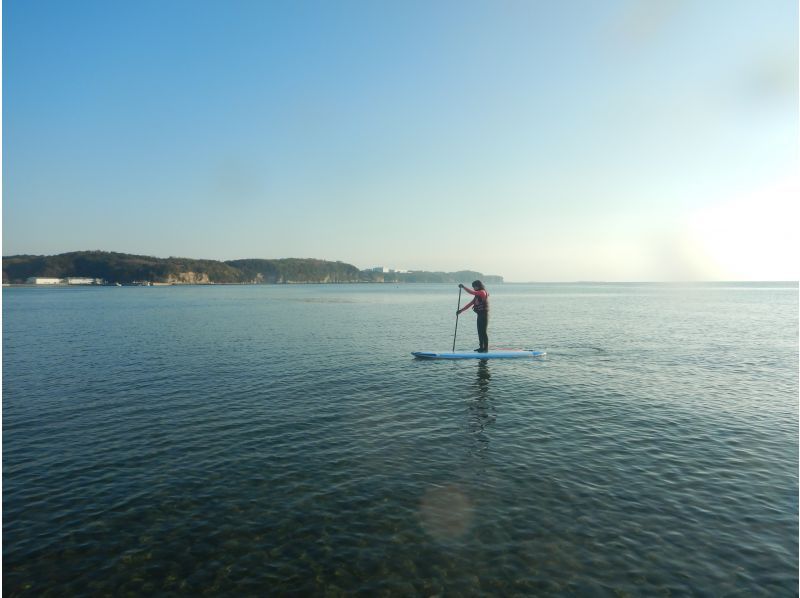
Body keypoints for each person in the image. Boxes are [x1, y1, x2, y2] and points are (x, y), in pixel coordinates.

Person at [457, 280, 489, 352]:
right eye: (473, 287)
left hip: (484, 315)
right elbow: (469, 304)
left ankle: (486, 349)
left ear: (478, 285)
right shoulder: (477, 296)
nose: (474, 288)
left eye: (474, 286)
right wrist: (460, 311)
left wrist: (463, 287)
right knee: (479, 331)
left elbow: (472, 292)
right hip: (479, 315)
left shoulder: (482, 292)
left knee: (483, 332)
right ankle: (481, 347)